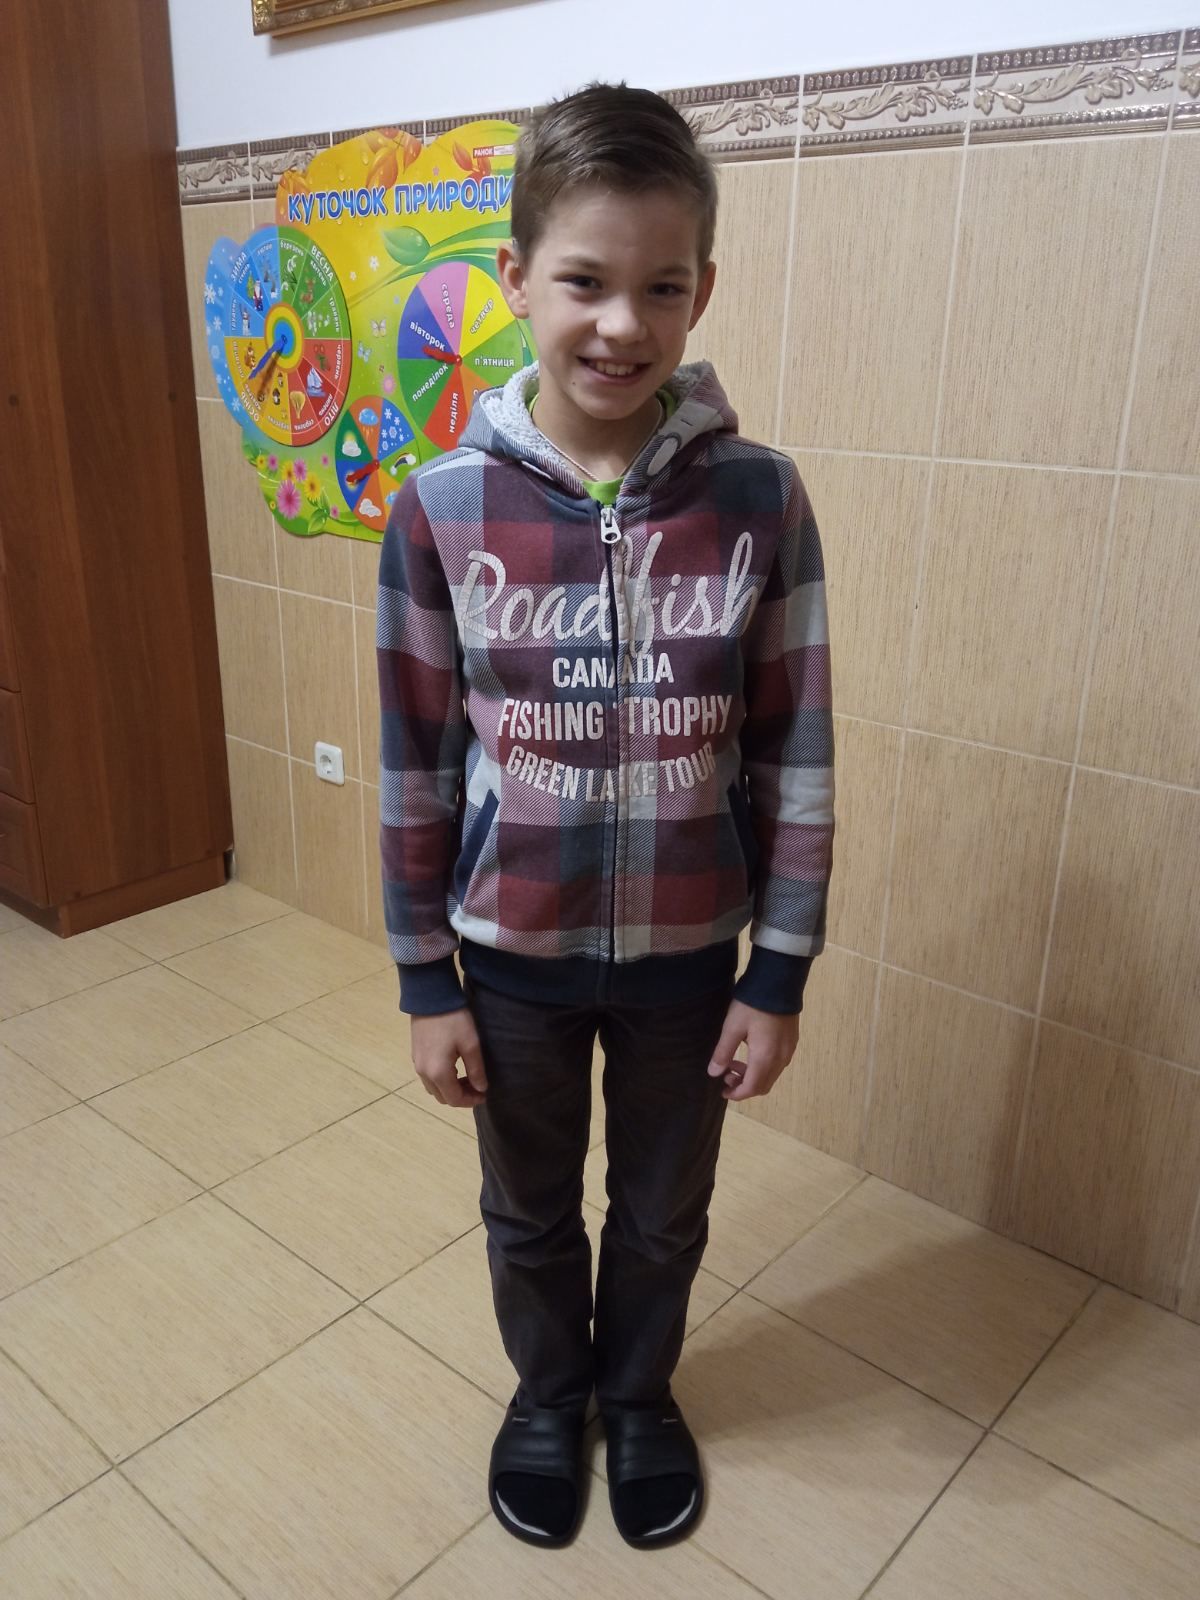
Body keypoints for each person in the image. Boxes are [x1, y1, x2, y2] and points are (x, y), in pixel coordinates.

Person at [376, 80, 835, 1552]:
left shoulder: (760, 499)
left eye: (662, 286)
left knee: (661, 1209)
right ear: (516, 275)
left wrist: (779, 968)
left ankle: (636, 1395)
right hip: (508, 954)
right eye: (584, 281)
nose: (622, 325)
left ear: (705, 288)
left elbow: (799, 751)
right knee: (527, 1207)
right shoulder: (441, 507)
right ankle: (547, 1394)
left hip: (690, 956)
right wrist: (422, 976)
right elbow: (413, 762)